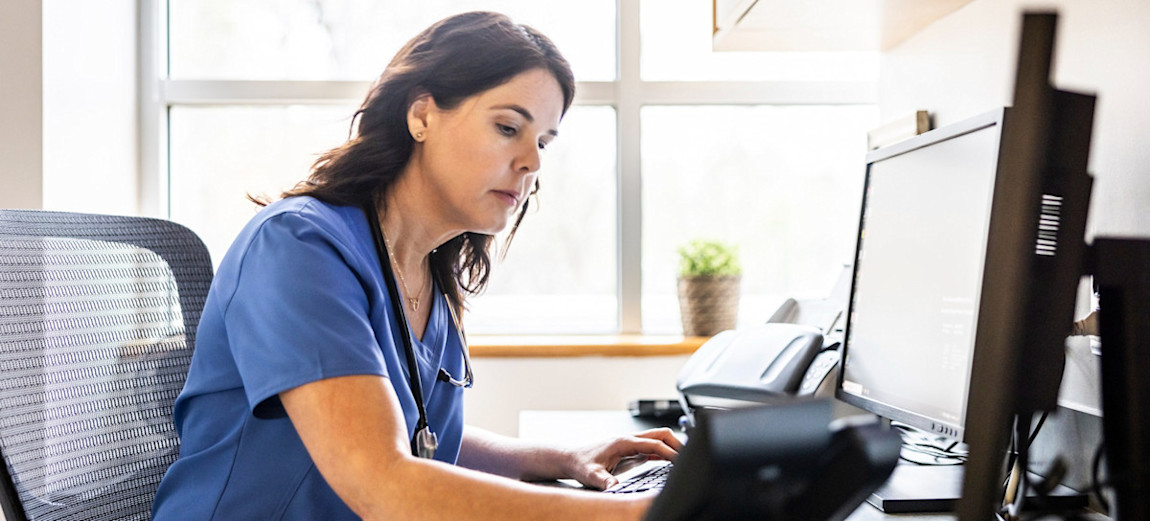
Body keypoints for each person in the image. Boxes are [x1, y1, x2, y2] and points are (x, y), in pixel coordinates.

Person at [151, 11, 681, 521]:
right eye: (507, 127)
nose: (533, 162)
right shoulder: (296, 248)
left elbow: (409, 435)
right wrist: (629, 513)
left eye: (542, 141)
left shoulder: (425, 274)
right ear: (422, 115)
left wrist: (558, 457)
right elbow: (385, 482)